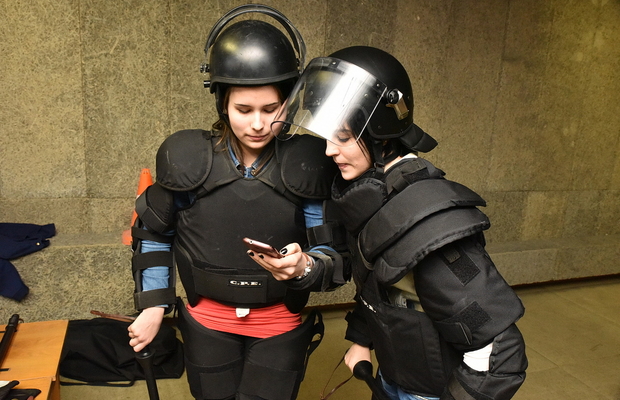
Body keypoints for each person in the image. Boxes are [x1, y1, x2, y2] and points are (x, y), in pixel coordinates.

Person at [260, 46, 528, 400]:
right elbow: (381, 280)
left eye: (343, 137)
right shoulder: (376, 198)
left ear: (381, 136)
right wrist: (362, 338)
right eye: (328, 136)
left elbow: (500, 354)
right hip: (393, 378)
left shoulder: (428, 225)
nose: (329, 151)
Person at [126, 5, 348, 400]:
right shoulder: (187, 160)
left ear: (288, 103)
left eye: (271, 109)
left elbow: (333, 252)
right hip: (207, 323)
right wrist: (154, 305)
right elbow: (154, 233)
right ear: (222, 105)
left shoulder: (309, 164)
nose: (258, 124)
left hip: (279, 324)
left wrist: (306, 265)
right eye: (244, 110)